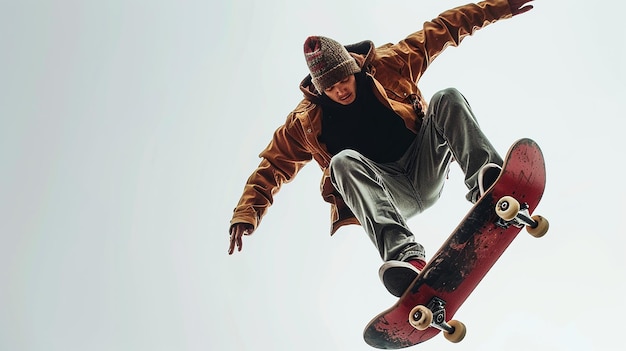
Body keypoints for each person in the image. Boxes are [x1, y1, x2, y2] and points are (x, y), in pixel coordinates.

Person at [228, 0, 535, 297]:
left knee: (447, 98)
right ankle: (407, 258)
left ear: (353, 69)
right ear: (321, 90)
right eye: (331, 89)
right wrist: (246, 213)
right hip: (388, 193)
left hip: (424, 165)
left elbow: (444, 28)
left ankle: (490, 183)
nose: (341, 91)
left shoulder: (391, 62)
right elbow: (272, 166)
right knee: (342, 163)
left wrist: (500, 6)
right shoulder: (304, 122)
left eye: (344, 80)